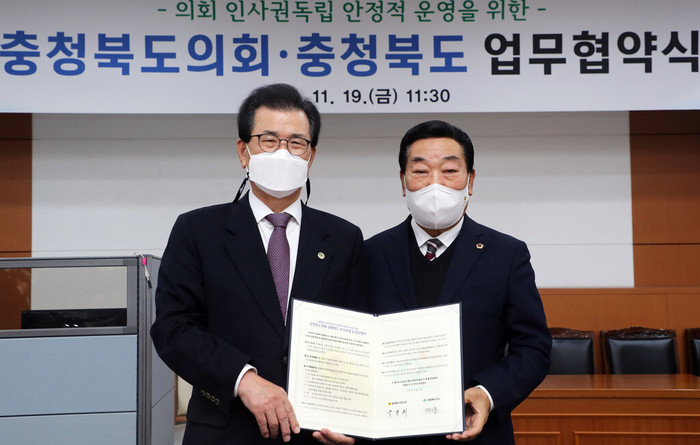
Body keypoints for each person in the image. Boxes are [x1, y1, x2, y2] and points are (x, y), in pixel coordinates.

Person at [150, 83, 367, 445]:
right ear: (243, 151)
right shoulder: (198, 230)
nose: (283, 151)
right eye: (269, 140)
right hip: (225, 432)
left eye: (296, 143)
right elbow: (173, 329)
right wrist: (243, 379)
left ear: (310, 156)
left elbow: (359, 337)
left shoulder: (344, 238)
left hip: (317, 435)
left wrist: (354, 424)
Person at [364, 120, 551, 444]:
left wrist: (487, 393)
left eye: (450, 171)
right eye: (421, 171)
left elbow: (533, 348)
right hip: (389, 432)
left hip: (476, 432)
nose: (435, 184)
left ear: (470, 180)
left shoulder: (506, 255)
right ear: (403, 181)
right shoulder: (370, 253)